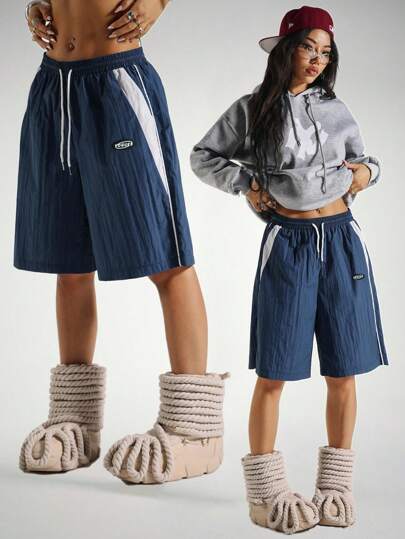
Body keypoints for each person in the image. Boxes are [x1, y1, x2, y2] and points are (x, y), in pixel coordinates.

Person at [190, 5, 389, 534]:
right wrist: (246, 184)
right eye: (308, 48)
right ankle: (265, 493)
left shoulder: (336, 108)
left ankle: (336, 487)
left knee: (343, 370)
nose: (317, 60)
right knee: (275, 371)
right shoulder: (253, 109)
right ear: (285, 50)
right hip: (289, 245)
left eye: (325, 52)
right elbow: (204, 156)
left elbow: (367, 161)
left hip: (343, 242)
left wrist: (365, 173)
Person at [16, 0, 230, 484]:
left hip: (116, 83)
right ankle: (76, 418)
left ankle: (194, 430)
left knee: (166, 257)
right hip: (53, 86)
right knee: (69, 263)